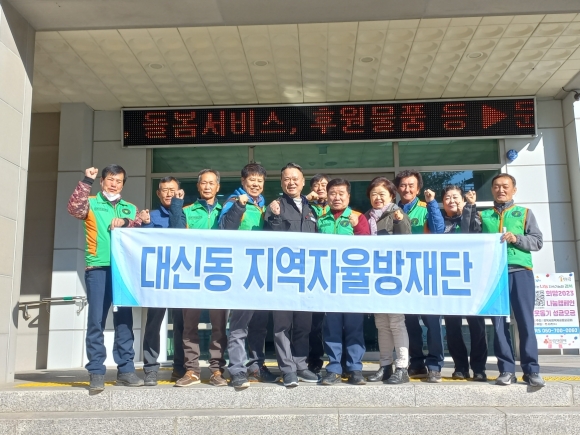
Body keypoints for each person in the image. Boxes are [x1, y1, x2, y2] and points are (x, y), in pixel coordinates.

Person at [67, 165, 144, 394]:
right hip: (98, 268)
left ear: (123, 184)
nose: (114, 184)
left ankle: (126, 370)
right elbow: (74, 209)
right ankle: (96, 372)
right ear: (102, 181)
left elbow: (138, 227)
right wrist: (86, 181)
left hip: (122, 271)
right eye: (110, 179)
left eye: (119, 181)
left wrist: (126, 222)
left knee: (124, 322)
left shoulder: (130, 208)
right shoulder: (91, 202)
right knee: (96, 320)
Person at [480, 174, 545, 387]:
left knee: (525, 322)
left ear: (514, 189)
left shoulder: (524, 213)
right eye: (497, 186)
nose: (501, 190)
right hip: (494, 276)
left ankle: (532, 370)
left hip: (520, 272)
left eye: (505, 186)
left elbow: (537, 241)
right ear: (492, 190)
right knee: (499, 324)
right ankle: (506, 370)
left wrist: (516, 239)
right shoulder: (483, 215)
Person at [168, 169, 229, 387]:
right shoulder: (187, 210)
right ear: (198, 186)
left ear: (218, 187)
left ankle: (217, 370)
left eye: (211, 183)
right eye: (204, 183)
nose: (207, 187)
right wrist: (176, 204)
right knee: (189, 325)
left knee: (219, 326)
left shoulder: (226, 211)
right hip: (191, 274)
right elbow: (175, 231)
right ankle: (192, 370)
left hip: (218, 275)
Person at [220, 163, 278, 390]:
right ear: (243, 182)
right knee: (239, 323)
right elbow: (225, 229)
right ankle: (237, 369)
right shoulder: (234, 201)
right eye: (251, 180)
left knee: (259, 324)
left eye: (259, 181)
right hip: (241, 270)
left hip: (260, 271)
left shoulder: (263, 204)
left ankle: (256, 366)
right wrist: (239, 207)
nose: (256, 184)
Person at [264, 163, 320, 387]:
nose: (291, 182)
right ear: (281, 183)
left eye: (295, 178)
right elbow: (271, 239)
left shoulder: (311, 209)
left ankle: (301, 365)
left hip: (307, 276)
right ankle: (287, 369)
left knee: (304, 324)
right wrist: (276, 217)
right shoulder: (275, 206)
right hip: (283, 277)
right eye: (287, 179)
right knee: (282, 325)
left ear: (303, 182)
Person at [317, 178, 370, 386]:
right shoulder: (321, 219)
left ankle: (355, 368)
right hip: (328, 281)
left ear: (348, 196)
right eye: (332, 193)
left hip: (352, 280)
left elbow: (368, 247)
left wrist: (358, 228)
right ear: (327, 196)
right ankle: (333, 368)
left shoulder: (358, 217)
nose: (336, 197)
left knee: (354, 325)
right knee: (332, 326)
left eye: (341, 193)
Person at [394, 169, 445, 383]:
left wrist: (432, 203)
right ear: (397, 188)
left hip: (425, 272)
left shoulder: (426, 208)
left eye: (411, 185)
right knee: (409, 322)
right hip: (402, 274)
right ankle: (416, 363)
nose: (407, 189)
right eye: (403, 185)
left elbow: (439, 230)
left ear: (418, 188)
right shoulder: (392, 210)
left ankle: (434, 365)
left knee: (432, 321)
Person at [364, 177, 412, 384]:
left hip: (394, 276)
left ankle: (402, 367)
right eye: (373, 194)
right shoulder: (367, 217)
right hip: (374, 275)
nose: (377, 198)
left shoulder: (397, 214)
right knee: (381, 323)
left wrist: (400, 221)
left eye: (382, 194)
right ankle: (385, 365)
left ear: (392, 196)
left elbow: (406, 242)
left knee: (396, 322)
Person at [139, 176, 185, 386]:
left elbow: (178, 233)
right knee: (153, 324)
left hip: (180, 278)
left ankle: (180, 368)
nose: (168, 193)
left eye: (172, 190)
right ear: (158, 193)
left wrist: (177, 206)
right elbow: (145, 243)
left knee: (181, 325)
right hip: (158, 278)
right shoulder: (150, 216)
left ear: (179, 192)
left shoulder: (184, 213)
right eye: (164, 190)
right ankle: (150, 368)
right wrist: (146, 224)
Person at [440, 185, 488, 382]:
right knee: (452, 326)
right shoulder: (440, 223)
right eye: (447, 198)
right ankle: (460, 366)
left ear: (463, 199)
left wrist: (470, 207)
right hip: (449, 280)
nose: (451, 201)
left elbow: (472, 233)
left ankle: (479, 368)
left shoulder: (476, 216)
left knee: (477, 326)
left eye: (455, 197)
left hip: (472, 280)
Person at [306, 173, 330, 373]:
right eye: (316, 185)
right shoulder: (306, 207)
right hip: (312, 269)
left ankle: (339, 360)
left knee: (335, 320)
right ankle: (314, 359)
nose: (320, 188)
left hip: (334, 270)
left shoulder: (339, 209)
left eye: (324, 184)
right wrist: (306, 200)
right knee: (313, 321)